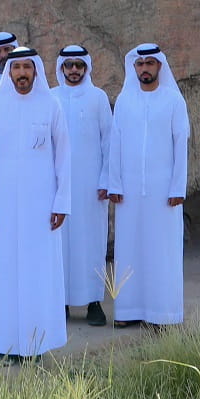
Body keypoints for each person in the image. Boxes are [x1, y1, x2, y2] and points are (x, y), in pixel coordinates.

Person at [0, 47, 71, 362]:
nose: (21, 73)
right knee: (4, 273)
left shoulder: (51, 105)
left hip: (42, 210)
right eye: (16, 68)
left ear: (36, 71)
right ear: (9, 72)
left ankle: (35, 344)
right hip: (3, 209)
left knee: (38, 273)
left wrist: (62, 202)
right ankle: (5, 343)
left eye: (27, 67)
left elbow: (64, 159)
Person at [102, 43, 191, 329]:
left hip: (163, 192)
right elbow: (114, 144)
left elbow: (181, 145)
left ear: (160, 67)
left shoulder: (174, 102)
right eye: (140, 64)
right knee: (129, 250)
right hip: (128, 193)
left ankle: (163, 315)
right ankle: (128, 311)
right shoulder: (125, 101)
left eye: (150, 63)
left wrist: (178, 188)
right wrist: (113, 182)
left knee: (162, 251)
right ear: (134, 68)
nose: (144, 69)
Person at [53, 44, 113, 327]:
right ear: (61, 68)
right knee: (60, 244)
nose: (74, 70)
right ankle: (60, 302)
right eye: (69, 65)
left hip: (91, 188)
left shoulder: (98, 98)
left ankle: (93, 302)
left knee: (91, 243)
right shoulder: (51, 98)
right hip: (58, 187)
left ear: (86, 67)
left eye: (79, 65)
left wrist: (106, 180)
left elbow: (109, 142)